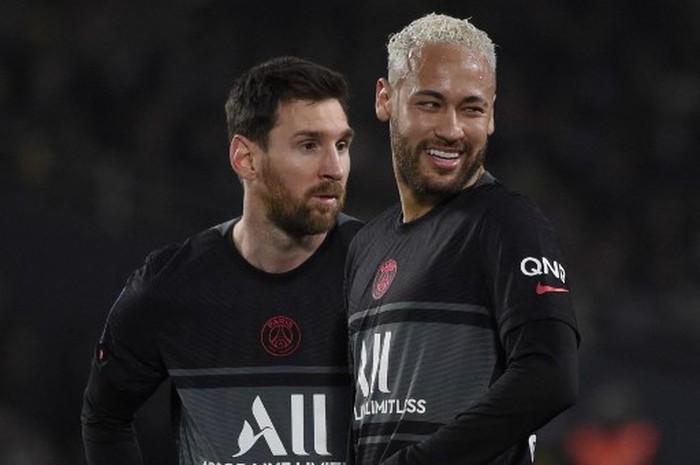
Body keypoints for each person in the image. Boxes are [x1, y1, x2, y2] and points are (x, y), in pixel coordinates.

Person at [81, 56, 362, 465]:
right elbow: (104, 416)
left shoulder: (383, 269)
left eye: (342, 145)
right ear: (246, 159)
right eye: (308, 145)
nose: (334, 168)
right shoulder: (170, 286)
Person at [345, 13, 580, 464]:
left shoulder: (507, 223)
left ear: (491, 115)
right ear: (385, 99)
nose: (451, 130)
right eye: (430, 104)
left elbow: (550, 374)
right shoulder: (365, 246)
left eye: (471, 108)